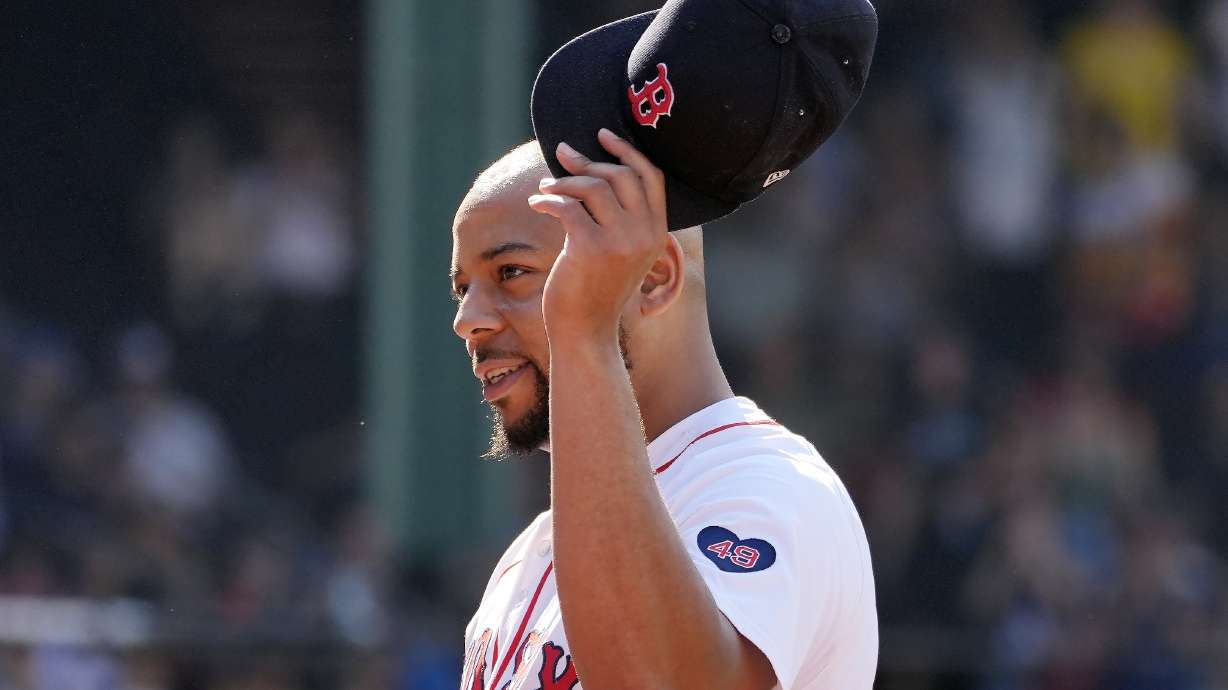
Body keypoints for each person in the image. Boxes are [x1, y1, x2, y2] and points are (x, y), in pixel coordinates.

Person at [451, 1, 879, 688]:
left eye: (511, 274)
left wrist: (584, 334)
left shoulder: (770, 491)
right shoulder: (527, 558)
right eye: (462, 288)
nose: (469, 318)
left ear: (651, 278)